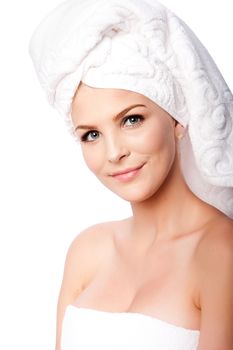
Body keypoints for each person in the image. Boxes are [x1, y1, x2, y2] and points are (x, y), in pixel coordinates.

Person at [29, 0, 233, 349]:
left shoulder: (221, 254)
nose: (113, 153)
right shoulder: (86, 252)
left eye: (131, 119)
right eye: (91, 134)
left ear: (177, 118)